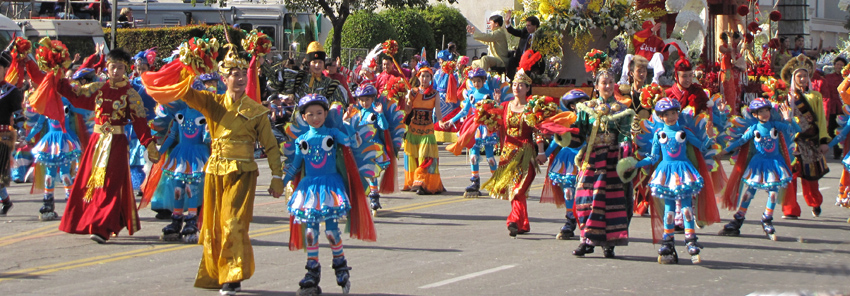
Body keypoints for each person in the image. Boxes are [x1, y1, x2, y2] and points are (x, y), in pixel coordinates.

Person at [141, 42, 284, 295]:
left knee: (234, 222)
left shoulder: (256, 111)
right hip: (214, 168)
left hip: (242, 171)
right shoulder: (212, 103)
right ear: (224, 78)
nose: (240, 79)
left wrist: (276, 176)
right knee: (214, 225)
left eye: (243, 74)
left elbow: (271, 146)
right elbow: (185, 94)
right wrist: (190, 67)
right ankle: (217, 272)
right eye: (234, 75)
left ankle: (233, 275)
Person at [52, 49, 158, 243]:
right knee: (91, 185)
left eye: (120, 68)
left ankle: (102, 227)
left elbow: (140, 123)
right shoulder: (97, 89)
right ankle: (96, 222)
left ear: (126, 69)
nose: (116, 71)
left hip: (117, 144)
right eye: (112, 67)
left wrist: (149, 145)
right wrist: (57, 71)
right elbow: (74, 94)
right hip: (96, 144)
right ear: (107, 68)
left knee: (110, 185)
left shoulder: (131, 95)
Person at [283, 93, 376, 295]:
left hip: (330, 186)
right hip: (309, 189)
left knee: (332, 231)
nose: (315, 117)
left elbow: (350, 142)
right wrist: (280, 182)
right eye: (310, 114)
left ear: (325, 113)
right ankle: (312, 270)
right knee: (310, 231)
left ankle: (340, 264)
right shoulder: (301, 141)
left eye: (319, 113)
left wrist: (350, 131)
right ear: (303, 117)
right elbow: (295, 166)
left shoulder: (332, 133)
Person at [629, 98, 716, 264]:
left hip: (683, 171)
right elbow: (653, 156)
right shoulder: (659, 134)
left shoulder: (684, 132)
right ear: (661, 117)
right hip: (666, 172)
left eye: (674, 113)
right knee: (669, 211)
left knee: (686, 208)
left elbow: (701, 146)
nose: (671, 116)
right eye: (667, 114)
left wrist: (710, 138)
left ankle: (690, 239)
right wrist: (636, 164)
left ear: (678, 113)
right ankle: (667, 240)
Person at [571, 66, 635, 258]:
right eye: (603, 83)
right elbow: (579, 133)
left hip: (612, 160)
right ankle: (586, 239)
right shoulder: (586, 109)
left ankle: (609, 243)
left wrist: (625, 152)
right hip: (591, 158)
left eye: (610, 82)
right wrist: (564, 132)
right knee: (584, 199)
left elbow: (625, 136)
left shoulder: (623, 110)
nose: (607, 86)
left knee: (609, 201)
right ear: (596, 86)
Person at [481, 69, 551, 237]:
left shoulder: (532, 108)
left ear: (528, 88)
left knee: (519, 190)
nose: (516, 88)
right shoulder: (505, 106)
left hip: (526, 153)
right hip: (508, 154)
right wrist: (491, 113)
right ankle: (523, 223)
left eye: (521, 85)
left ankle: (513, 221)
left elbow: (537, 131)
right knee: (513, 189)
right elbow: (494, 128)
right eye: (514, 85)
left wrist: (541, 152)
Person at [717, 98, 798, 240]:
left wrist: (788, 119)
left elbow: (796, 130)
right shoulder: (754, 129)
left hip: (774, 164)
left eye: (767, 110)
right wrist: (725, 151)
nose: (765, 114)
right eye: (761, 111)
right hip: (758, 164)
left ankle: (767, 219)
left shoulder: (775, 125)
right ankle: (738, 219)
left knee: (773, 194)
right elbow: (741, 140)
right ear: (755, 115)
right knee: (749, 193)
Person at [780, 54, 830, 219]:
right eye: (799, 76)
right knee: (790, 177)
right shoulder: (785, 97)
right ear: (793, 78)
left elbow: (821, 119)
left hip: (810, 142)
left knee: (810, 177)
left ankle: (815, 202)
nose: (802, 78)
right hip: (791, 142)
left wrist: (823, 140)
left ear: (809, 77)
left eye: (805, 75)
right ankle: (790, 209)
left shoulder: (815, 96)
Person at [25, 97, 86, 221]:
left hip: (65, 141)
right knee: (50, 174)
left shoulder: (66, 100)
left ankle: (71, 204)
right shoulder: (46, 103)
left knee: (65, 174)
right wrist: (27, 139)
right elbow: (38, 125)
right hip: (51, 142)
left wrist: (96, 110)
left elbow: (80, 110)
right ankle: (48, 203)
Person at [441, 68, 498, 197]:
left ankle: (496, 181)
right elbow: (464, 111)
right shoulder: (472, 94)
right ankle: (475, 181)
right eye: (474, 81)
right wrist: (451, 121)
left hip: (486, 128)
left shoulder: (489, 94)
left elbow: (496, 109)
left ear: (484, 81)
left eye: (479, 81)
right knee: (473, 156)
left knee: (490, 157)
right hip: (473, 128)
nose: (476, 83)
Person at [543, 89, 589, 240]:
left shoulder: (591, 119)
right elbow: (557, 138)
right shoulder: (566, 119)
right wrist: (543, 153)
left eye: (582, 102)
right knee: (568, 191)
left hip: (585, 157)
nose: (579, 105)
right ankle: (570, 221)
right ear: (571, 106)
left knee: (586, 193)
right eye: (576, 103)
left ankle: (586, 221)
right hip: (567, 158)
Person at [403, 66, 445, 195]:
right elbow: (408, 110)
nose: (425, 79)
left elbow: (437, 110)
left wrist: (441, 121)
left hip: (427, 130)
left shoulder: (435, 94)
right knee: (412, 156)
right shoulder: (413, 92)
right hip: (413, 129)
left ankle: (422, 182)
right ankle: (413, 182)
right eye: (422, 76)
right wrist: (405, 99)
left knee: (425, 156)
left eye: (427, 76)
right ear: (418, 77)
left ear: (431, 79)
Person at [272, 42, 348, 107]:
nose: (317, 65)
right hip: (300, 122)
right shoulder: (299, 80)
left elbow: (340, 108)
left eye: (320, 62)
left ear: (324, 64)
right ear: (309, 64)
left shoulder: (332, 85)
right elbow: (274, 81)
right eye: (314, 62)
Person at [0, 51, 24, 216]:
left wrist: (21, 131)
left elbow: (18, 114)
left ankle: (5, 201)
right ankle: (6, 201)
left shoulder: (11, 91)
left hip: (4, 135)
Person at [822, 57, 846, 159]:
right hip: (831, 106)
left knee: (841, 128)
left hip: (842, 107)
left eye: (841, 65)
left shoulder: (846, 79)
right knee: (831, 128)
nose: (839, 67)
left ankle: (840, 150)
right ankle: (835, 149)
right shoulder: (828, 77)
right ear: (834, 65)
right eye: (837, 64)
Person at [504, 10, 539, 79]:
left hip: (532, 59)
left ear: (535, 26)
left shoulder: (540, 36)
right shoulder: (525, 32)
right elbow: (514, 31)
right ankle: (511, 80)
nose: (527, 27)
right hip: (520, 57)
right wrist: (507, 22)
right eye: (526, 25)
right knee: (511, 60)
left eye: (529, 25)